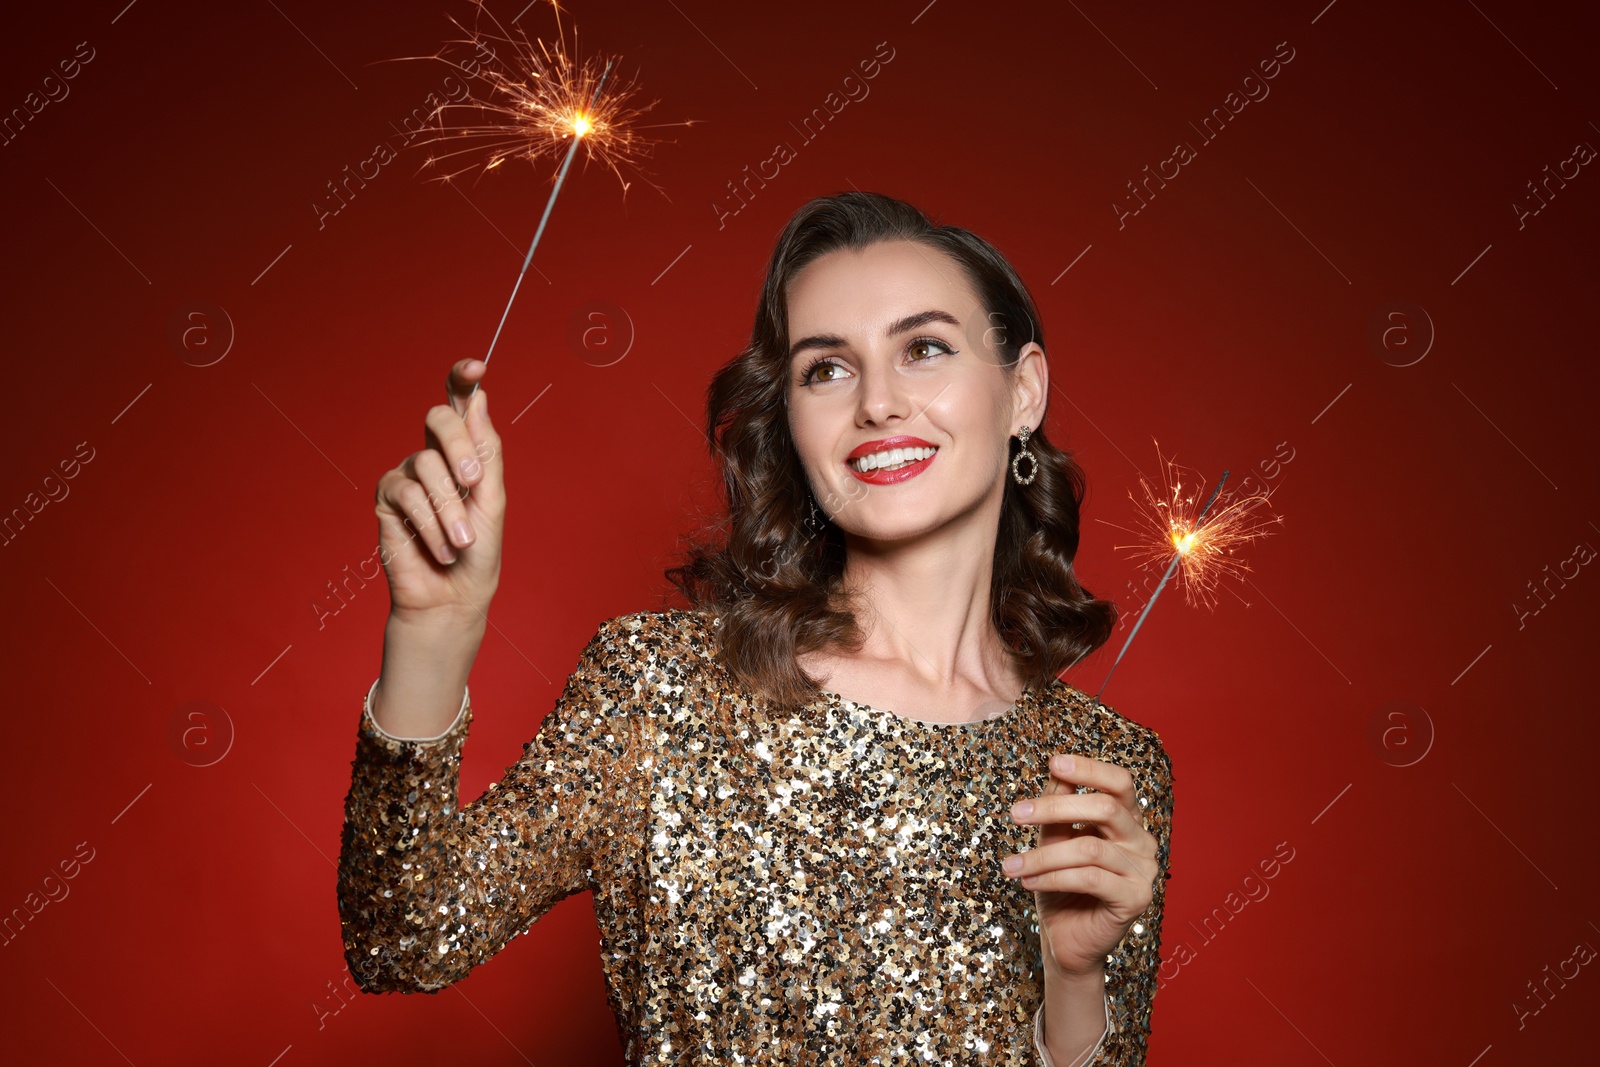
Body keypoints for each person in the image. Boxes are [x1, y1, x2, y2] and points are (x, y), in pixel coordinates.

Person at [337, 191, 1175, 1066]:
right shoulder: (658, 689)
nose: (879, 403)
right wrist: (434, 626)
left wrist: (1074, 981)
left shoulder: (1102, 773)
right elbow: (404, 935)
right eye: (827, 369)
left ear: (1022, 391)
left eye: (924, 348)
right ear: (792, 421)